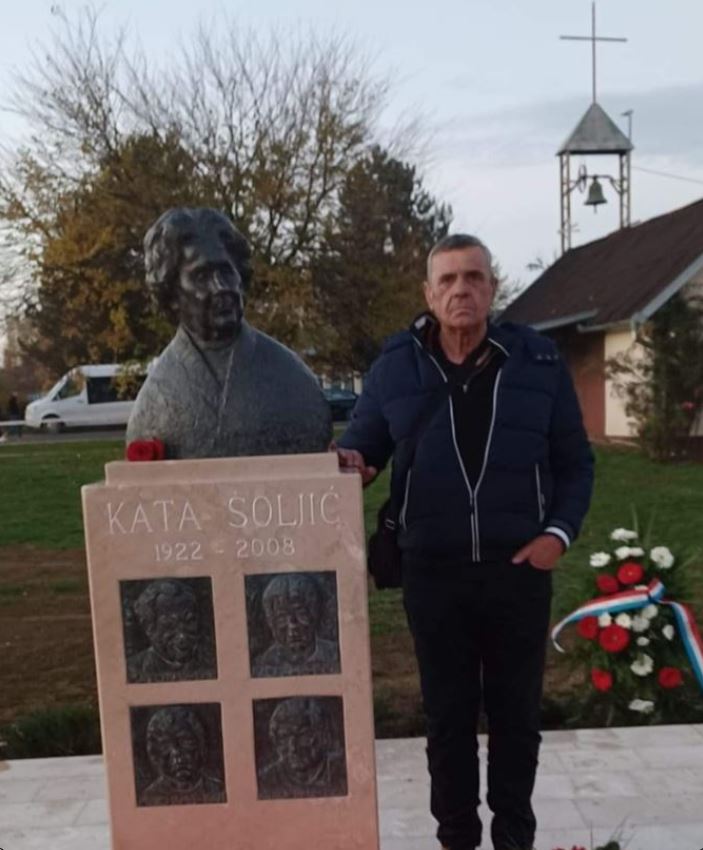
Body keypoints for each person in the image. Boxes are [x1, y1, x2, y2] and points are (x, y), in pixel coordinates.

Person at [336, 234, 594, 850]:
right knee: (448, 720)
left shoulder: (537, 361)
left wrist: (557, 535)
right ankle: (456, 838)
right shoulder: (395, 367)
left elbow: (575, 463)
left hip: (518, 572)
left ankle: (514, 838)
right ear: (429, 294)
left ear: (492, 288)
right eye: (448, 280)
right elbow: (363, 450)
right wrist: (349, 463)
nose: (461, 290)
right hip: (433, 574)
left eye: (474, 277)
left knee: (516, 719)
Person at [127, 207, 331, 458]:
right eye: (201, 276)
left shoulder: (293, 379)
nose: (221, 287)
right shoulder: (155, 399)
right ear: (171, 295)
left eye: (226, 272)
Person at [257, 698, 347, 799]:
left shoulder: (342, 771)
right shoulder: (266, 780)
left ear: (322, 735)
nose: (293, 748)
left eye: (303, 735)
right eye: (284, 737)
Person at [252, 573, 340, 677]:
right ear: (271, 623)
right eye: (282, 617)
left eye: (300, 614)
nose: (292, 625)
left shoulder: (335, 655)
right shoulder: (262, 664)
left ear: (314, 615)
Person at [128, 580, 213, 682]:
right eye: (169, 625)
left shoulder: (211, 663)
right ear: (149, 628)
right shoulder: (132, 669)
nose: (182, 636)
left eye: (189, 621)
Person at [140, 706, 225, 806]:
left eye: (185, 741)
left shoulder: (218, 791)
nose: (177, 753)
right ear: (155, 753)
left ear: (200, 744)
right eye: (165, 745)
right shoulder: (149, 797)